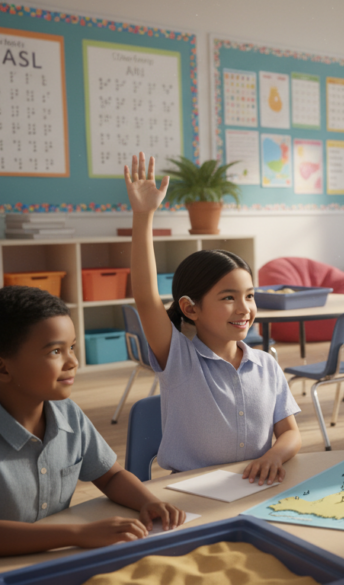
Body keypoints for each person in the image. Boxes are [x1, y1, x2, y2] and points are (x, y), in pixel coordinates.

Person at [124, 152, 301, 482]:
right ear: (191, 308)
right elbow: (147, 299)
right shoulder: (179, 359)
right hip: (191, 490)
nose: (244, 308)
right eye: (228, 298)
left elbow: (291, 433)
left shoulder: (267, 365)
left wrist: (275, 455)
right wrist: (143, 215)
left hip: (254, 486)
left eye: (249, 295)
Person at [0, 286, 184, 556]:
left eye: (71, 347)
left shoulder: (68, 413)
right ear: (4, 368)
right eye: (55, 352)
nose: (73, 361)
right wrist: (79, 534)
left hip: (53, 561)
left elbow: (111, 476)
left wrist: (148, 502)